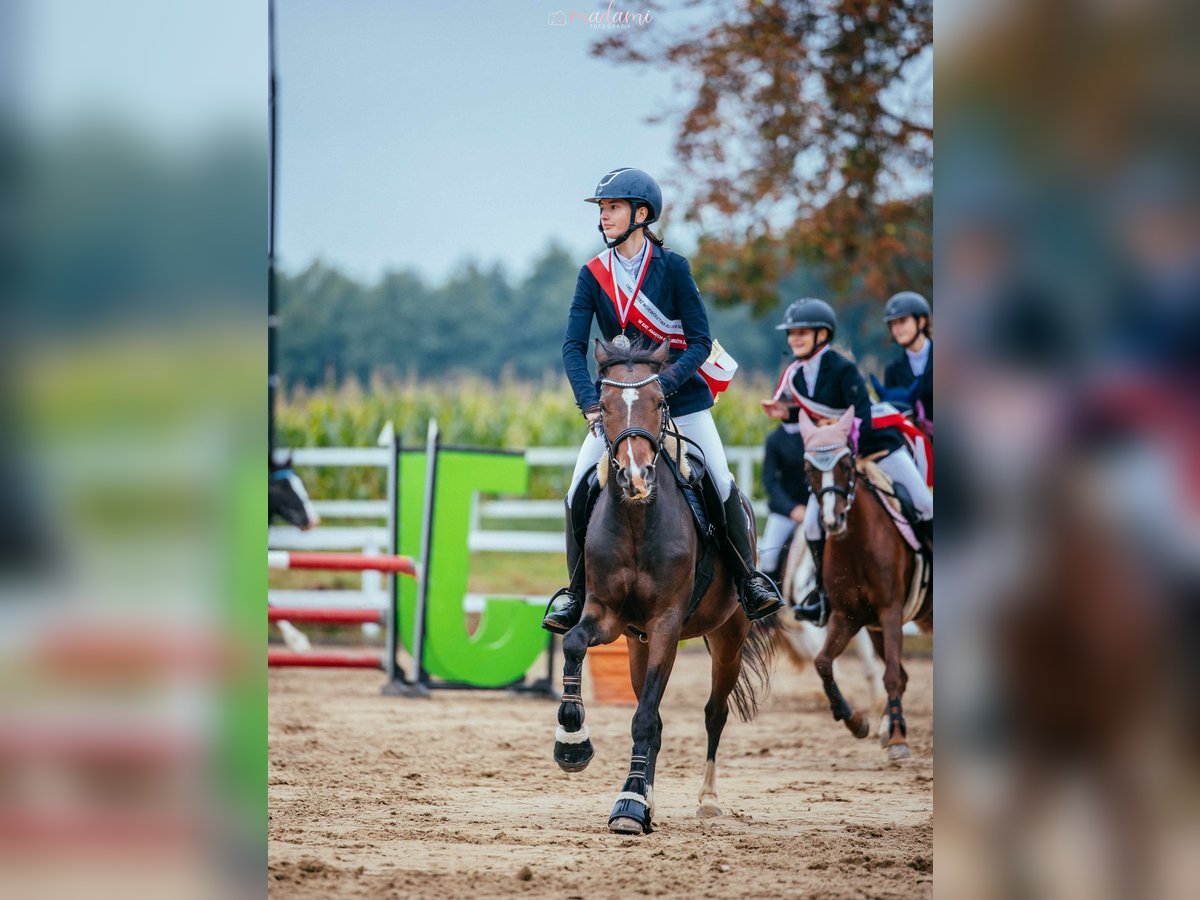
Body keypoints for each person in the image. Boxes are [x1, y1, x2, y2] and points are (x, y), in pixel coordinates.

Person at [542, 167, 784, 635]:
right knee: (576, 492)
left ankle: (749, 580)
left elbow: (698, 341)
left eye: (612, 208)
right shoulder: (592, 274)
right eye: (603, 210)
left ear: (641, 213)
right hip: (616, 409)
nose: (604, 217)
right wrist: (591, 402)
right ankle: (574, 593)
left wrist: (661, 387)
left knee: (721, 480)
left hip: (681, 400)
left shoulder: (673, 268)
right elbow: (573, 346)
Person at [762, 298, 933, 626]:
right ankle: (822, 595)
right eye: (791, 333)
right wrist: (788, 412)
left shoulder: (842, 368)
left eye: (802, 332)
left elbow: (863, 416)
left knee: (925, 503)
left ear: (822, 335)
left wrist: (843, 450)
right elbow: (818, 411)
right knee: (813, 523)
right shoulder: (796, 377)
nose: (794, 338)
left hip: (879, 449)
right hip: (842, 460)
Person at [759, 422, 809, 586]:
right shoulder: (775, 440)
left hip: (816, 506)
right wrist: (791, 509)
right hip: (786, 511)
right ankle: (769, 601)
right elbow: (769, 481)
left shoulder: (813, 433)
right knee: (769, 557)